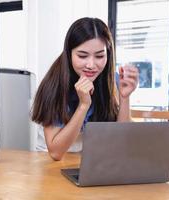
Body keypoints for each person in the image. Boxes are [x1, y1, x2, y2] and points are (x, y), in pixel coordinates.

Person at [31, 17, 139, 161]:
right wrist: (83, 105)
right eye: (82, 56)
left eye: (100, 56)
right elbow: (56, 153)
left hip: (91, 161)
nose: (91, 65)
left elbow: (121, 141)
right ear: (69, 54)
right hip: (50, 162)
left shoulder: (113, 81)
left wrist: (125, 98)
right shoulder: (54, 85)